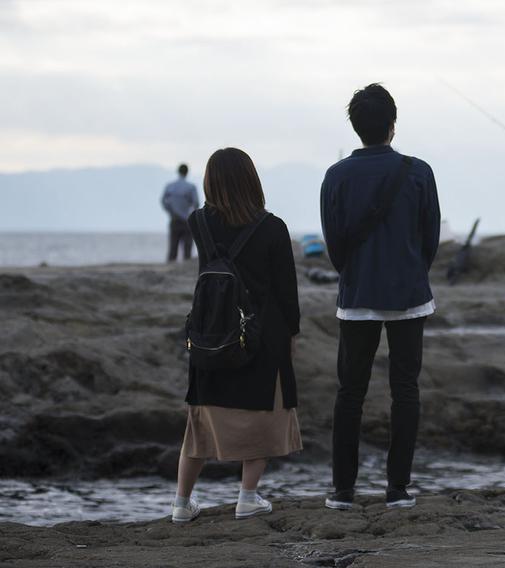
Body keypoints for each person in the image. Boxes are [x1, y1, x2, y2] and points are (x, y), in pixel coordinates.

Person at [320, 83, 440, 510]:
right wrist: (408, 270)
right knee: (404, 389)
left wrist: (355, 274)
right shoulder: (418, 172)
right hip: (409, 292)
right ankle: (398, 489)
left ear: (356, 127)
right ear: (392, 124)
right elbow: (431, 238)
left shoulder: (336, 177)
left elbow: (334, 245)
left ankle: (342, 491)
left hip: (357, 296)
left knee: (350, 392)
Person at [171, 148, 302, 523]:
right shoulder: (273, 227)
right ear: (252, 179)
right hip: (262, 333)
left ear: (210, 182)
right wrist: (291, 333)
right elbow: (286, 292)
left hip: (212, 329)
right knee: (259, 414)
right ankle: (247, 497)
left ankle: (181, 504)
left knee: (200, 419)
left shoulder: (199, 222)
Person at [161, 163, 200, 262]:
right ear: (187, 172)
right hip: (186, 220)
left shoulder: (170, 186)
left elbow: (163, 201)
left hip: (174, 219)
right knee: (187, 250)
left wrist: (170, 211)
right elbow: (196, 204)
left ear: (178, 171)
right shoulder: (190, 187)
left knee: (173, 248)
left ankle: (169, 269)